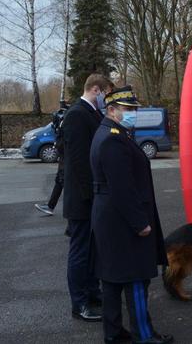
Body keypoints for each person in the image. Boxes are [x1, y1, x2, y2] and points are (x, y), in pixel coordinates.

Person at [90, 85, 172, 344]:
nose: (133, 113)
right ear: (112, 110)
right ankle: (144, 335)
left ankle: (113, 334)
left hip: (112, 219)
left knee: (113, 279)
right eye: (128, 109)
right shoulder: (113, 139)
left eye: (134, 109)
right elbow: (122, 188)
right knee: (135, 278)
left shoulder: (111, 133)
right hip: (123, 221)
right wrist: (140, 223)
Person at [63, 74, 113, 322]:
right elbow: (79, 162)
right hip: (83, 200)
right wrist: (91, 196)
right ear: (96, 89)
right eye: (106, 92)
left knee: (93, 251)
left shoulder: (91, 113)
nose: (107, 98)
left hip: (92, 197)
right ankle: (79, 303)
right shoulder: (77, 115)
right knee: (80, 252)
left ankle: (93, 292)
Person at [35, 101, 69, 216]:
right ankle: (50, 206)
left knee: (63, 182)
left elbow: (62, 140)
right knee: (60, 181)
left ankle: (52, 206)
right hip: (65, 157)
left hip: (66, 157)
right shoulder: (65, 121)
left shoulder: (66, 122)